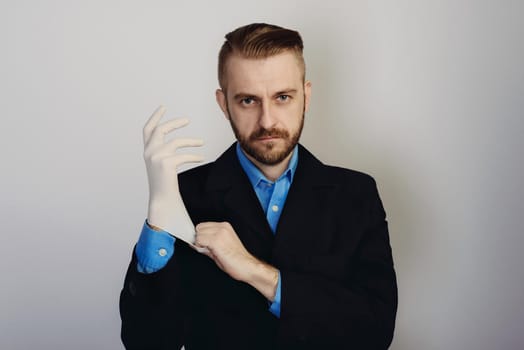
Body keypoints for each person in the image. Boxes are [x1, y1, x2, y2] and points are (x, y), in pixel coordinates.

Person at [120, 23, 398, 350]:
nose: (267, 120)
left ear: (305, 97)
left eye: (282, 97)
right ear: (224, 104)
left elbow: (375, 330)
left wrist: (255, 272)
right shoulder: (185, 195)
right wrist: (158, 221)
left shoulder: (356, 195)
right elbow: (146, 342)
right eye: (248, 100)